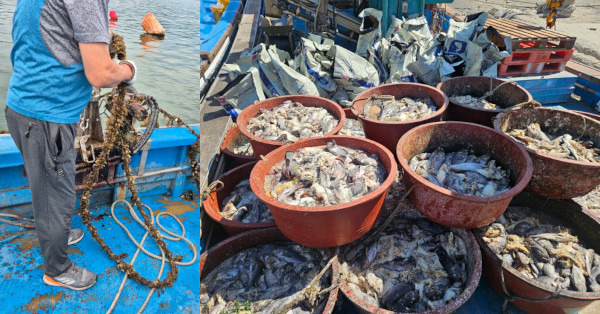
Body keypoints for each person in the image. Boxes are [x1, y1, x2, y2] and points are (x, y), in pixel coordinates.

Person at [4, 0, 136, 291]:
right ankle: (57, 270)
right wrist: (127, 69)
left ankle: (58, 235)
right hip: (46, 118)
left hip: (20, 106)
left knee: (46, 188)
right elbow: (101, 74)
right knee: (55, 197)